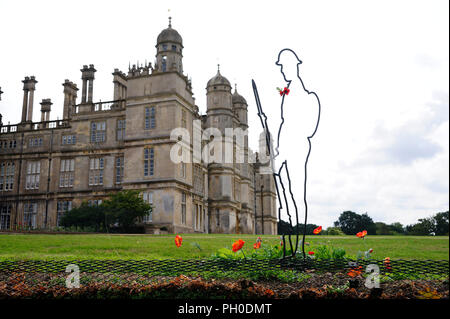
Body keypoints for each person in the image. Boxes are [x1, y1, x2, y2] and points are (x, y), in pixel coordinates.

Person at [252, 48, 321, 257]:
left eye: (283, 66)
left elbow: (307, 128)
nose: (282, 70)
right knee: (287, 199)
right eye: (281, 67)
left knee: (297, 196)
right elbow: (283, 123)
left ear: (294, 65)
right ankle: (290, 248)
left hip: (297, 149)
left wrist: (291, 142)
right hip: (284, 152)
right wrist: (279, 149)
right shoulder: (287, 94)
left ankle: (298, 247)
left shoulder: (307, 96)